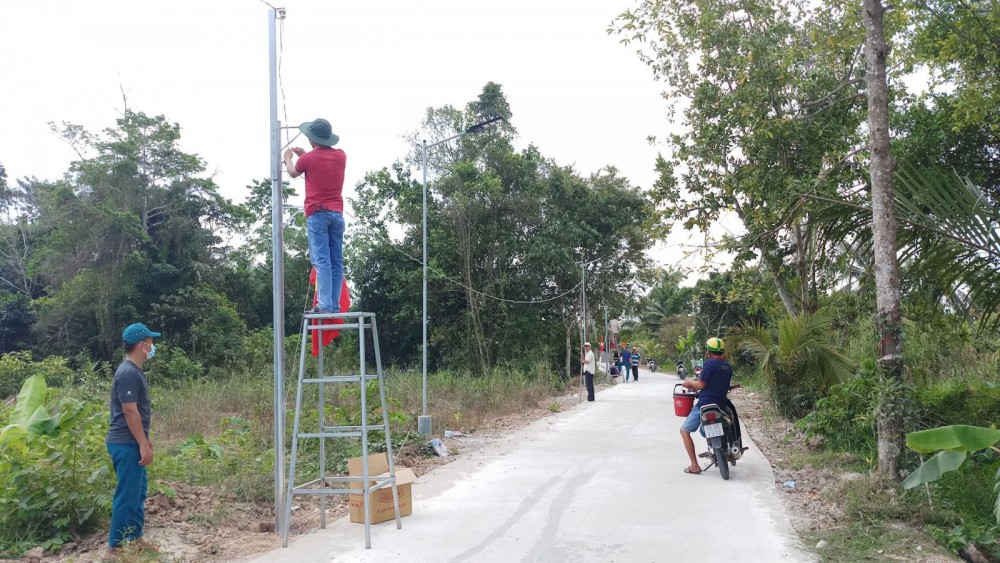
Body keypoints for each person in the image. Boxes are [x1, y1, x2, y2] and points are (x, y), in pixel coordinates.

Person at [104, 323, 160, 559]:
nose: (153, 345)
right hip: (125, 443)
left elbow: (136, 411)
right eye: (150, 341)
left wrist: (145, 441)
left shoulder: (134, 371)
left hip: (133, 441)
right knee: (126, 494)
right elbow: (129, 411)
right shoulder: (128, 373)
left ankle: (135, 539)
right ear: (141, 344)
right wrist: (142, 443)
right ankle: (113, 549)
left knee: (138, 492)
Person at [284, 118, 346, 314]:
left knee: (322, 260)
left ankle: (325, 305)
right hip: (336, 214)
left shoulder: (307, 159)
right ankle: (333, 305)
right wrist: (307, 155)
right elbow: (320, 163)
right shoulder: (341, 156)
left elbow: (294, 172)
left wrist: (288, 159)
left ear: (312, 139)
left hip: (317, 214)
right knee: (336, 260)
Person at [679, 337, 733, 474]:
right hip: (720, 404)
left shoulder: (710, 363)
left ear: (708, 351)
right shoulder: (727, 366)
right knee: (732, 422)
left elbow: (701, 384)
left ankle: (694, 466)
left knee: (684, 431)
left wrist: (689, 383)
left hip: (705, 404)